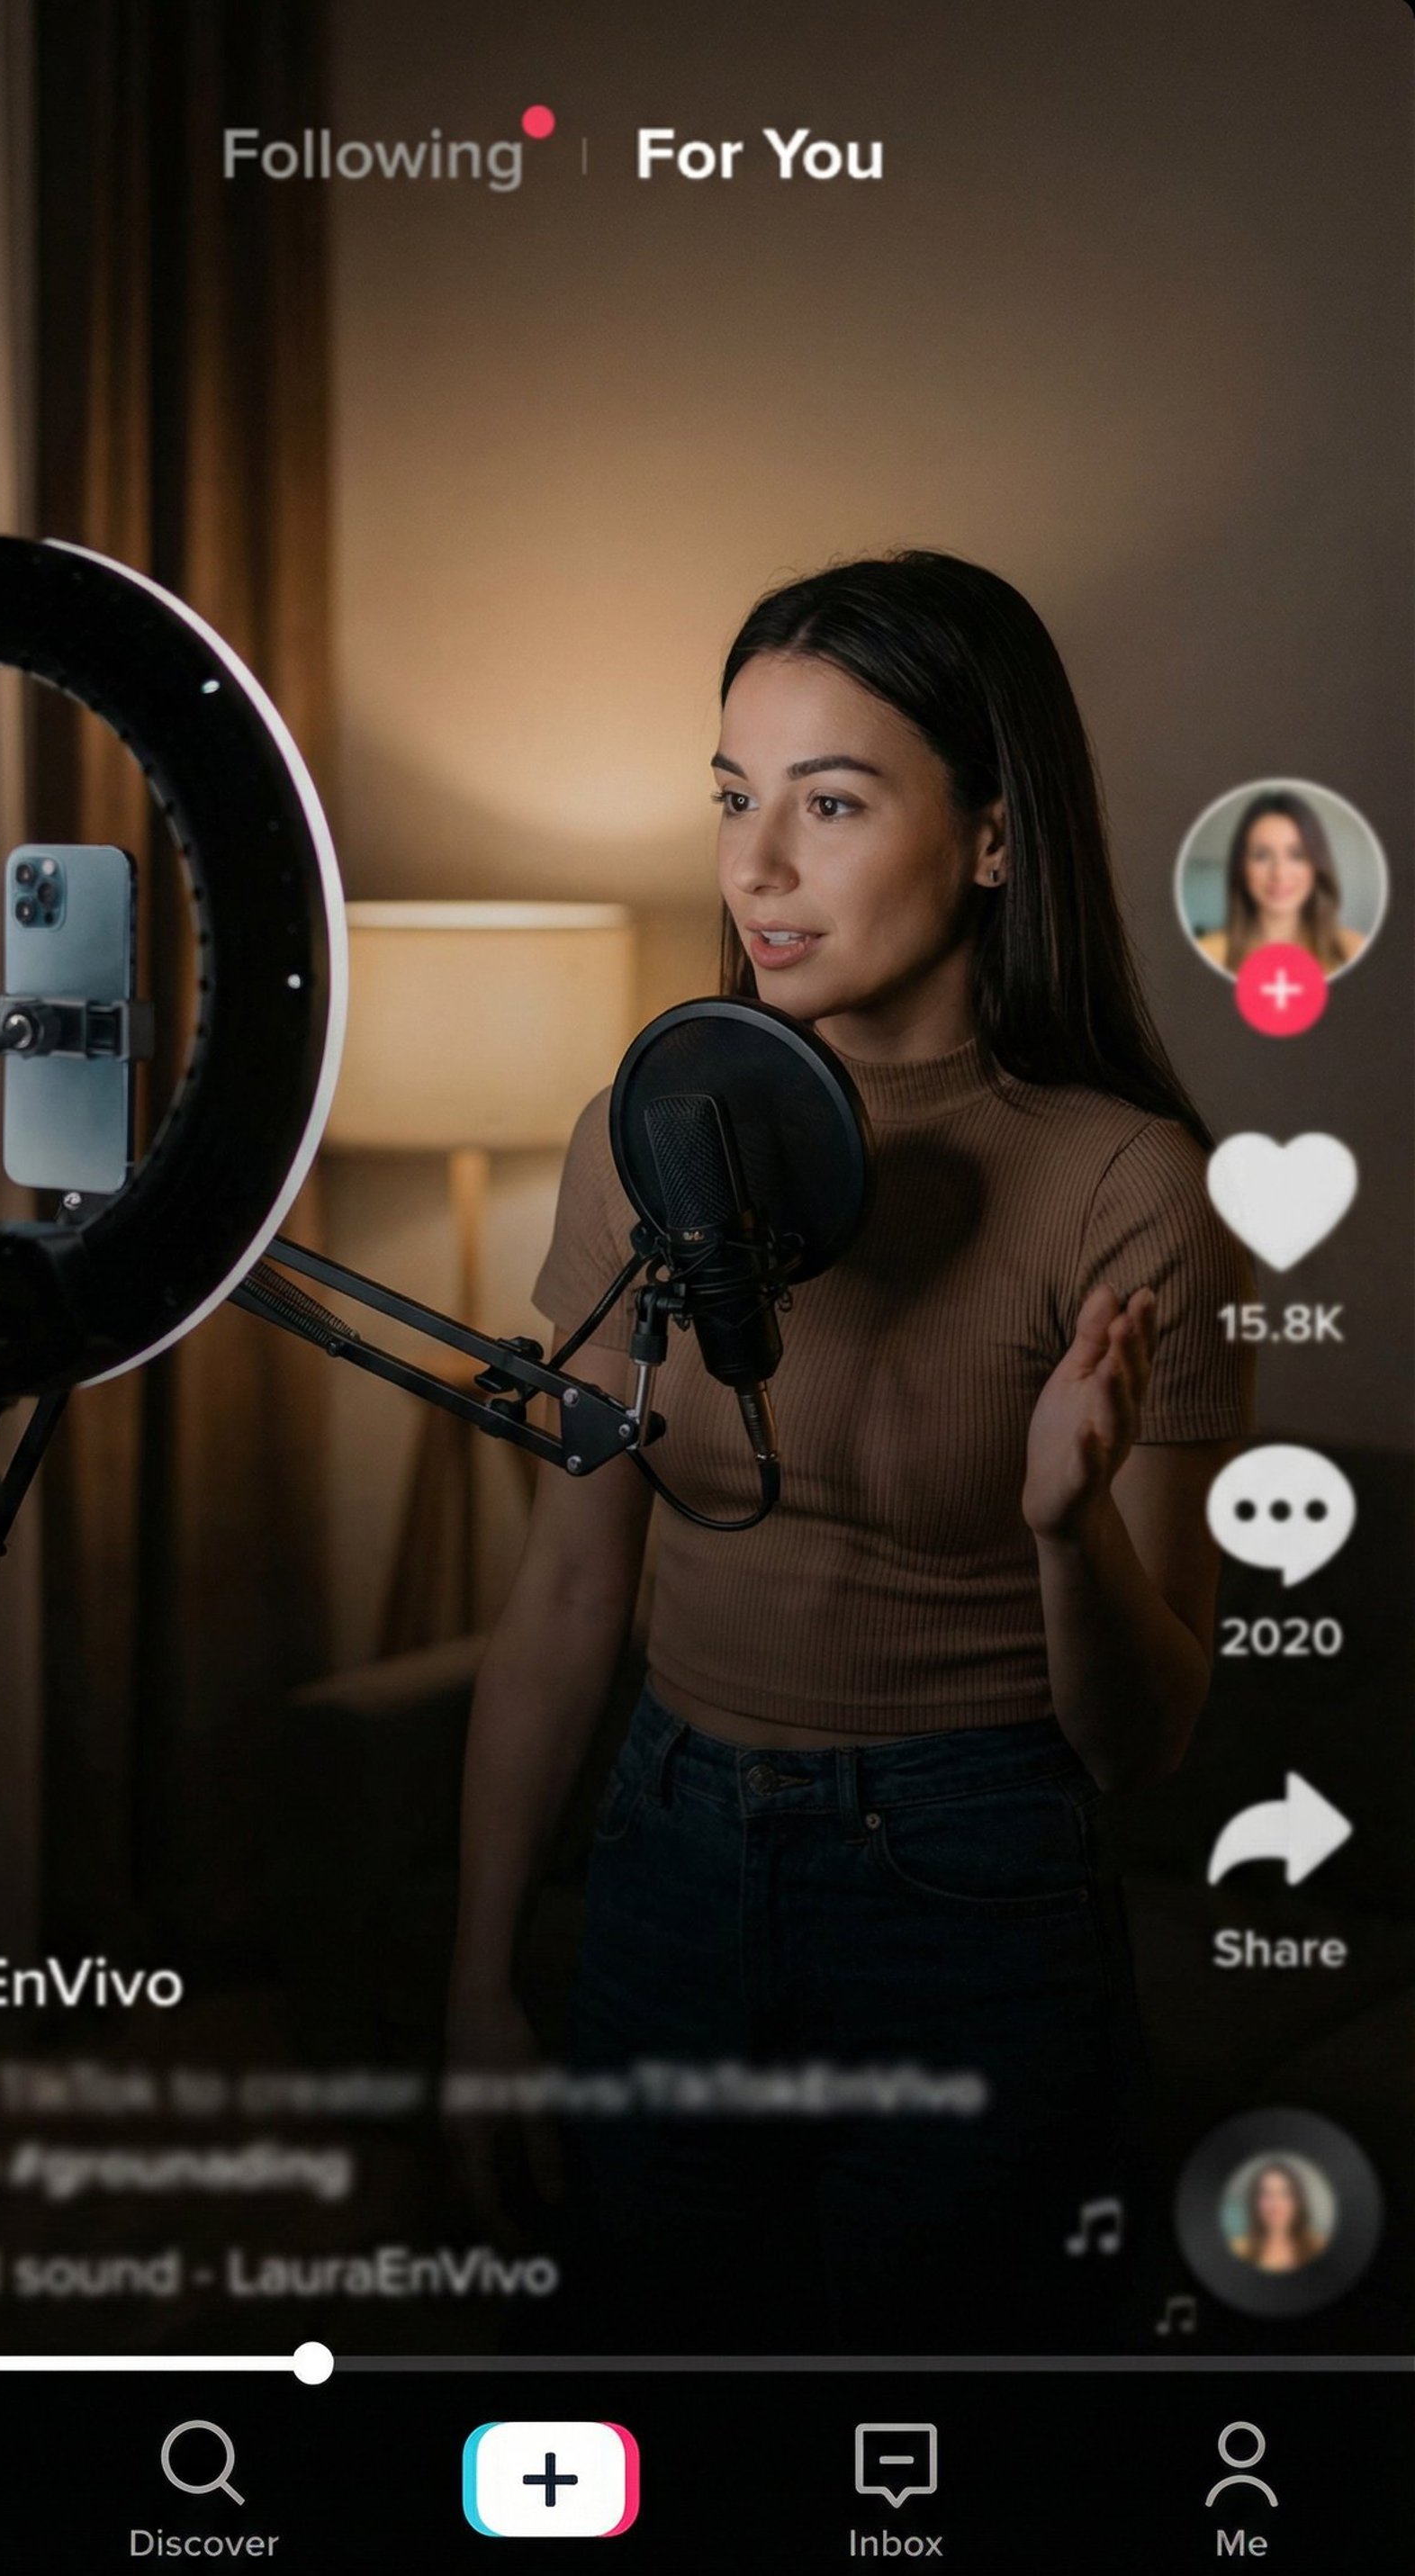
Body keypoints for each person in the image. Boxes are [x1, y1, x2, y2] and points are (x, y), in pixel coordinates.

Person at [446, 549, 1254, 2350]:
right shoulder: (633, 1140)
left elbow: (1144, 1743)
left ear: (987, 835)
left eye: (831, 799)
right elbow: (571, 1595)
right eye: (736, 798)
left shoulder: (1129, 1193)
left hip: (966, 1887)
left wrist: (1069, 1531)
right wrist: (482, 1976)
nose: (758, 865)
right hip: (667, 1855)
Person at [1194, 788, 1366, 973]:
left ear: (1316, 865)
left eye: (1297, 855)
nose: (1280, 873)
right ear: (1242, 867)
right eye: (1262, 856)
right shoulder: (1206, 953)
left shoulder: (1354, 951)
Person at [1230, 2159, 1327, 2273]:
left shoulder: (1318, 2246)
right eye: (1267, 2194)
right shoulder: (1238, 2249)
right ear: (1255, 2202)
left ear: (1298, 2201)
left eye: (1284, 2194)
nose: (1276, 2204)